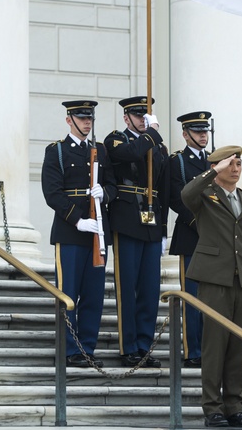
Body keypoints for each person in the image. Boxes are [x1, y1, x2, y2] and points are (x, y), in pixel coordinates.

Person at [182, 145, 242, 429]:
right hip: (214, 279)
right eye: (230, 163)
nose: (236, 168)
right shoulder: (205, 195)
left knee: (239, 346)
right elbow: (186, 194)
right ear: (217, 167)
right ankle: (212, 408)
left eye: (239, 163)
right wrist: (213, 170)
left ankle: (234, 406)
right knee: (214, 345)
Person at [41, 100, 112, 368]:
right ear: (69, 120)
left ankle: (87, 349)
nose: (87, 122)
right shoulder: (57, 151)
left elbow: (113, 185)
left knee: (93, 295)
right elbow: (52, 193)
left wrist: (105, 193)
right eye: (81, 118)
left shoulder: (100, 151)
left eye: (90, 118)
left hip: (97, 234)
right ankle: (69, 349)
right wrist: (78, 220)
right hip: (71, 233)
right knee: (68, 294)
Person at [104, 95, 169, 368]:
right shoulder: (116, 139)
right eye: (137, 115)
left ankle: (144, 345)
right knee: (127, 285)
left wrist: (164, 228)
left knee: (149, 288)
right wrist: (152, 135)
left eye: (146, 115)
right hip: (127, 219)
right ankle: (127, 346)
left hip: (152, 221)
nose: (142, 119)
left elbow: (164, 189)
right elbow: (128, 155)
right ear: (126, 117)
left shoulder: (159, 147)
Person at [168, 110, 212, 368]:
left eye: (205, 131)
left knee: (212, 299)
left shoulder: (214, 161)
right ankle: (192, 350)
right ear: (185, 134)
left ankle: (210, 350)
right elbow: (176, 198)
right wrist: (199, 223)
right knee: (193, 298)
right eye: (197, 131)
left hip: (214, 239)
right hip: (192, 235)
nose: (202, 135)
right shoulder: (178, 162)